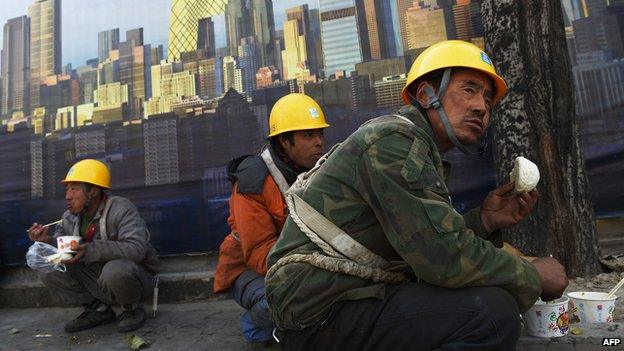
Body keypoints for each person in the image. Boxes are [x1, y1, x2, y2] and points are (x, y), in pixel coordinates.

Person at [264, 40, 569, 350]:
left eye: (488, 99)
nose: (481, 106)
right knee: (491, 314)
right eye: (469, 90)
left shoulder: (416, 147)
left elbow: (419, 243)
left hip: (333, 298)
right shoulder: (394, 142)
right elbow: (440, 258)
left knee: (484, 304)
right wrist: (532, 275)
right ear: (425, 95)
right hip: (319, 308)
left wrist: (486, 220)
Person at [213, 93, 330, 343]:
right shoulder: (253, 181)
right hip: (249, 270)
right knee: (281, 301)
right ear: (285, 142)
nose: (319, 142)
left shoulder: (321, 170)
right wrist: (315, 264)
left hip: (299, 262)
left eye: (320, 133)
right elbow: (258, 254)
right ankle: (257, 329)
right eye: (308, 135)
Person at [28, 159, 160, 333]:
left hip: (134, 279)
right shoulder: (69, 216)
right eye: (67, 189)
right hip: (97, 278)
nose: (68, 196)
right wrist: (47, 242)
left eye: (74, 188)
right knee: (49, 269)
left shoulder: (121, 209)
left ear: (94, 190)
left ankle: (131, 310)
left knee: (114, 270)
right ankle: (99, 310)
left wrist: (91, 249)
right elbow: (63, 249)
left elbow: (137, 249)